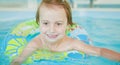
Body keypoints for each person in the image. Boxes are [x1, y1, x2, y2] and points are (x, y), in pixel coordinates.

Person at [11, 0, 120, 65]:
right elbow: (20, 59)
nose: (51, 30)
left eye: (58, 24)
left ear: (68, 26)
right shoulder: (36, 43)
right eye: (45, 23)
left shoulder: (72, 43)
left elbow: (99, 51)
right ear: (38, 23)